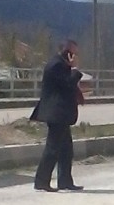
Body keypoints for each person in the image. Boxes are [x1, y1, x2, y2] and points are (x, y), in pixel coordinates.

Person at [30, 40, 85, 192]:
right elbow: (67, 84)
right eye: (74, 53)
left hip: (61, 114)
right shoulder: (56, 66)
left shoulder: (62, 66)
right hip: (56, 114)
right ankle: (41, 181)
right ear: (67, 52)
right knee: (52, 148)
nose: (76, 56)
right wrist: (75, 70)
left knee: (66, 149)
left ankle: (65, 181)